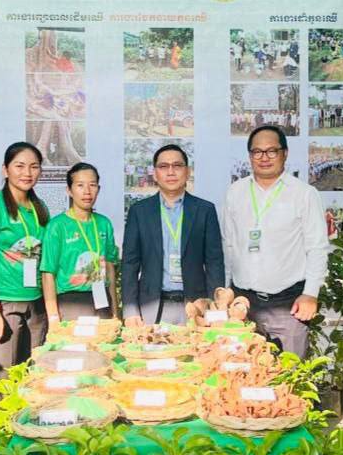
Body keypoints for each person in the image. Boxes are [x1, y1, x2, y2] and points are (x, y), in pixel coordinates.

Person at [222, 125, 329, 358]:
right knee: (243, 370)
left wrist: (311, 294)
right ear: (250, 155)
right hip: (243, 303)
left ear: (285, 153)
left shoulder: (303, 194)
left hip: (288, 304)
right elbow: (228, 244)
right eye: (257, 152)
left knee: (290, 373)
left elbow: (317, 248)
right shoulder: (235, 192)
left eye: (272, 151)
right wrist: (226, 293)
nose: (264, 158)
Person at [0, 142, 51, 402]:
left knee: (32, 384)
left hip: (35, 305)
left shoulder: (39, 208)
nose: (27, 173)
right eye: (20, 166)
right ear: (5, 170)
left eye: (34, 166)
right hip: (2, 305)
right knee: (2, 389)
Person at [122, 144, 224, 326]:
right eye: (163, 166)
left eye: (177, 166)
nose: (171, 172)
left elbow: (214, 262)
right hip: (150, 308)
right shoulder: (139, 211)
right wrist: (130, 310)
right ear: (155, 174)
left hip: (195, 307)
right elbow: (130, 264)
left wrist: (215, 308)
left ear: (187, 172)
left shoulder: (205, 210)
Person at [40, 162, 119, 323]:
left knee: (105, 339)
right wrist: (53, 317)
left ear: (98, 189)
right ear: (69, 190)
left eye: (92, 185)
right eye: (80, 185)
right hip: (71, 302)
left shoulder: (104, 223)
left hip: (101, 298)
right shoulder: (57, 226)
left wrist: (115, 312)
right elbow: (48, 274)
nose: (87, 191)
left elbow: (110, 267)